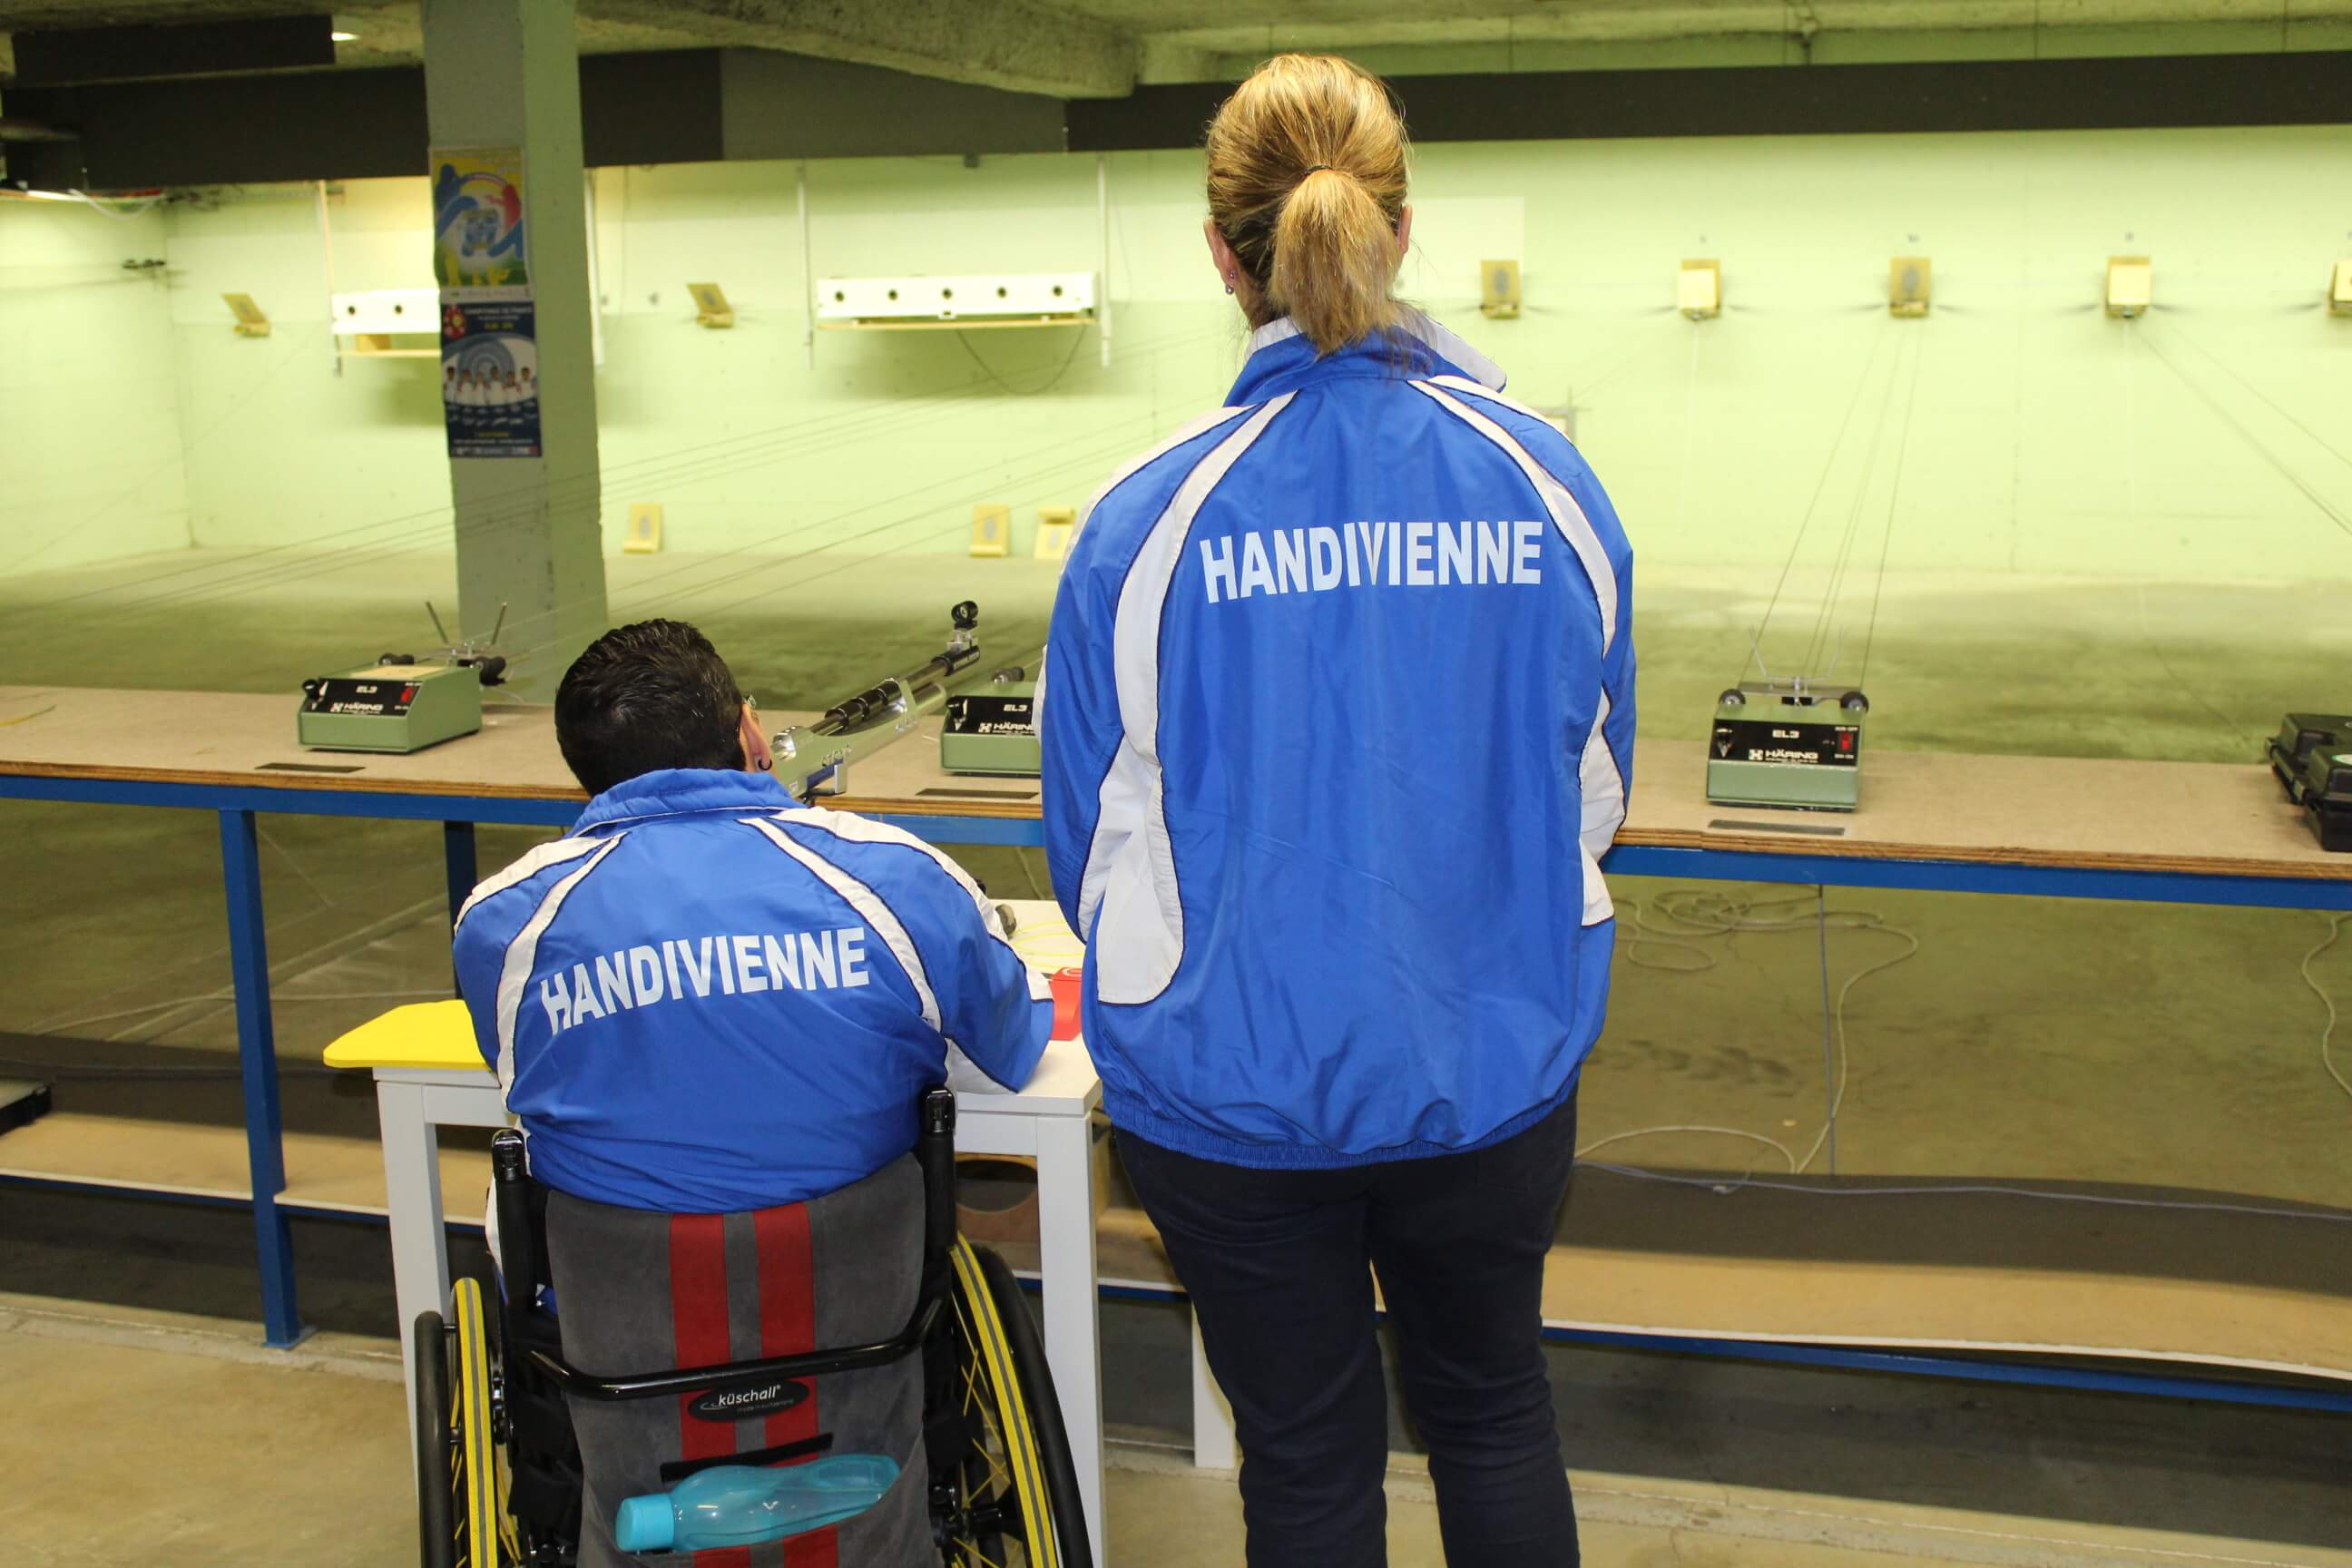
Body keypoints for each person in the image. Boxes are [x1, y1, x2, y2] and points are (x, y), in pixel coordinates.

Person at [1039, 54, 1635, 1568]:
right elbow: (1594, 786)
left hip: (1230, 1102)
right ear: (1402, 231)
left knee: (1306, 1465)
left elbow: (1088, 836)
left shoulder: (1145, 517)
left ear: (1219, 255)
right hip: (1488, 1066)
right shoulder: (1546, 480)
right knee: (1494, 1409)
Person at [454, 617, 1051, 1214]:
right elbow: (1001, 1056)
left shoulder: (502, 924)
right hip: (863, 1284)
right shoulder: (902, 877)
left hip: (606, 1293)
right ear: (751, 732)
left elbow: (525, 1073)